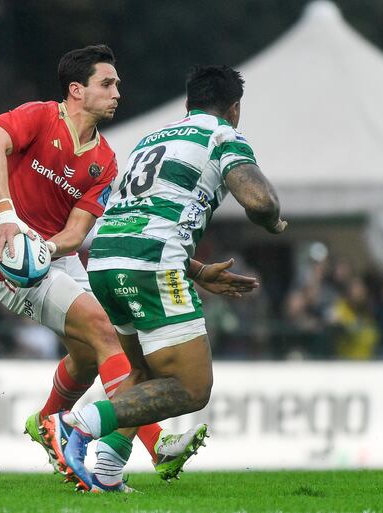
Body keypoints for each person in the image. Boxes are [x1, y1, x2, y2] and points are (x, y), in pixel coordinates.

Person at [0, 47, 258, 492]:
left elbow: (76, 233)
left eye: (117, 85)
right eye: (106, 84)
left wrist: (45, 247)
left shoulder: (105, 161)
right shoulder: (39, 117)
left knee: (92, 354)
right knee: (105, 332)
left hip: (55, 256)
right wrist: (7, 217)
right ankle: (156, 442)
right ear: (76, 90)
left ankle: (48, 420)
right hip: (13, 263)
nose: (117, 93)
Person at [42, 64, 287, 491]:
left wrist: (198, 270)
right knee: (191, 387)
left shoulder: (152, 139)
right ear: (234, 108)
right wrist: (273, 222)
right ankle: (76, 424)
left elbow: (145, 215)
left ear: (188, 104)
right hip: (151, 264)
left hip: (104, 260)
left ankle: (107, 471)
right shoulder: (222, 135)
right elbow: (259, 200)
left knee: (142, 372)